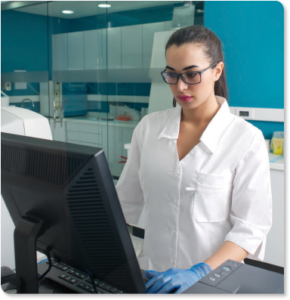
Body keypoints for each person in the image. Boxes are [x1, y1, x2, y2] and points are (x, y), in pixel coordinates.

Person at [115, 25, 272, 294]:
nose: (181, 86)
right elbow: (123, 204)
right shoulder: (149, 128)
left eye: (191, 74)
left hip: (212, 283)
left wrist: (199, 272)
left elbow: (250, 229)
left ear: (217, 71)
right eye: (172, 75)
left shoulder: (245, 139)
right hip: (151, 279)